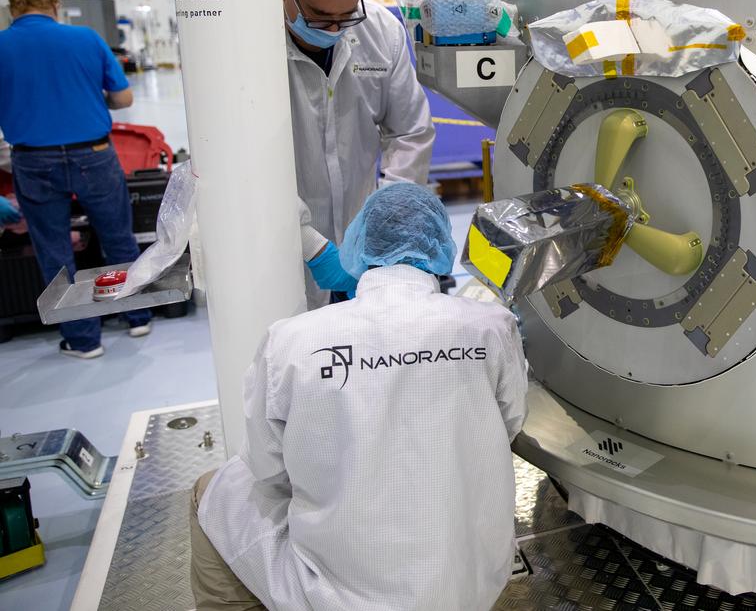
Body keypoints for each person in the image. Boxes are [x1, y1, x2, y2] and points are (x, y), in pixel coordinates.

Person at [190, 183, 527, 611]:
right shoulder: (491, 327)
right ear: (440, 244)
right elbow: (511, 424)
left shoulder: (291, 341)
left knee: (213, 490)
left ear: (357, 245)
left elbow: (265, 467)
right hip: (473, 587)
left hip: (339, 598)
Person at [279, 0, 435, 307]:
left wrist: (387, 222)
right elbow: (242, 168)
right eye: (319, 16)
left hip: (361, 237)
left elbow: (409, 133)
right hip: (278, 242)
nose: (334, 29)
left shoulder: (380, 31)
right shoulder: (248, 42)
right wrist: (311, 245)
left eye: (345, 16)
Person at [0, 0, 152, 358]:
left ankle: (85, 341)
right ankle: (137, 317)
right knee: (118, 237)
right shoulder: (86, 38)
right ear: (55, 4)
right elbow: (123, 96)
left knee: (54, 250)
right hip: (94, 153)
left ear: (12, 9)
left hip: (33, 159)